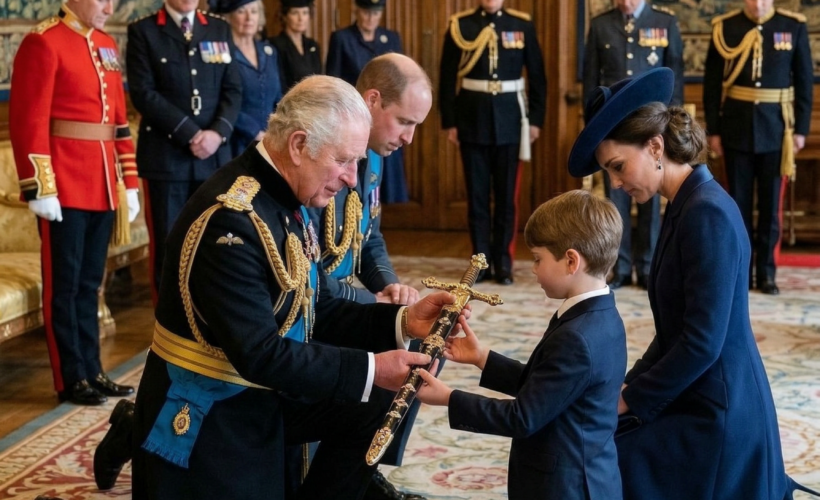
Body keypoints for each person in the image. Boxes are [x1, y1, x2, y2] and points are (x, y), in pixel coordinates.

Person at [126, 75, 461, 500]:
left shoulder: (285, 195)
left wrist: (404, 321)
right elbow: (260, 354)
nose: (352, 179)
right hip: (214, 413)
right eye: (344, 160)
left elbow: (317, 305)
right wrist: (373, 369)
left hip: (259, 391)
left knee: (380, 399)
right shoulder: (232, 221)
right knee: (372, 382)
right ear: (299, 144)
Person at [568, 67, 819, 500]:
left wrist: (631, 399)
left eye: (618, 167)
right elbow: (674, 332)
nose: (616, 183)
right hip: (695, 389)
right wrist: (626, 386)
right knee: (595, 446)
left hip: (718, 412)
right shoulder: (686, 203)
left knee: (603, 461)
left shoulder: (706, 213)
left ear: (655, 146)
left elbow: (702, 342)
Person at [416, 189, 627, 500]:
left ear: (571, 261)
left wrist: (450, 398)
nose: (533, 268)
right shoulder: (601, 313)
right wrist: (483, 358)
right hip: (589, 473)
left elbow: (523, 417)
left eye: (538, 259)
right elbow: (548, 388)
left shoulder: (577, 337)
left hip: (565, 487)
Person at [305, 53, 432, 500]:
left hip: (341, 301)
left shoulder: (374, 156)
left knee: (420, 342)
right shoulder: (321, 154)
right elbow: (305, 274)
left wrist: (388, 286)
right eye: (405, 122)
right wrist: (370, 304)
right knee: (394, 352)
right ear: (373, 100)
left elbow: (368, 234)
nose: (409, 138)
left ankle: (365, 468)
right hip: (310, 308)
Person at [9, 0, 140, 405]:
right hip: (63, 185)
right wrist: (39, 186)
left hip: (102, 183)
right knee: (64, 287)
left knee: (89, 284)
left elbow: (118, 122)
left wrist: (128, 181)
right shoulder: (44, 41)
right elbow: (28, 119)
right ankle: (70, 378)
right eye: (102, 0)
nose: (110, 8)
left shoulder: (105, 44)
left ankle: (93, 370)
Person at [127, 0, 242, 301]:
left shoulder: (218, 28)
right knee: (170, 246)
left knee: (215, 243)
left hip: (214, 159)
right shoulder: (144, 31)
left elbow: (233, 88)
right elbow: (143, 93)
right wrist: (190, 134)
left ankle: (208, 319)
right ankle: (169, 322)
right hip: (167, 159)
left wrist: (217, 133)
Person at [703, 0, 813, 295]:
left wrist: (801, 130)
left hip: (777, 132)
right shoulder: (726, 27)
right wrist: (714, 130)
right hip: (736, 131)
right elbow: (712, 84)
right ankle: (741, 273)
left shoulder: (792, 26)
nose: (758, 4)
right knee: (736, 207)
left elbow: (804, 82)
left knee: (770, 210)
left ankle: (766, 274)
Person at [439, 0, 546, 285]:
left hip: (511, 121)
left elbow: (537, 76)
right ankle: (480, 262)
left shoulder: (521, 24)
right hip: (471, 120)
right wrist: (450, 122)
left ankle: (504, 263)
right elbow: (446, 76)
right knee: (477, 198)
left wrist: (535, 120)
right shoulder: (460, 25)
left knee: (506, 198)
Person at [582, 0, 683, 289]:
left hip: (651, 127)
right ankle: (621, 266)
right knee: (616, 200)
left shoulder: (665, 22)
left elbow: (675, 78)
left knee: (651, 199)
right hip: (612, 131)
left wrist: (669, 125)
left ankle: (648, 265)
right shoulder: (600, 24)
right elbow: (591, 81)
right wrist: (593, 130)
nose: (625, 2)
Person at [326, 0, 408, 204]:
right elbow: (333, 81)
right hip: (354, 119)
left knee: (386, 182)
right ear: (357, 11)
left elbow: (401, 80)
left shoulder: (391, 38)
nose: (370, 18)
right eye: (366, 12)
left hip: (386, 120)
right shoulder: (342, 38)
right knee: (358, 178)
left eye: (376, 13)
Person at [211, 0, 283, 157]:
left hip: (270, 141)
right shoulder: (222, 54)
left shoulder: (269, 52)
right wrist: (255, 132)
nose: (249, 18)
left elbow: (278, 97)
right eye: (241, 11)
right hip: (235, 143)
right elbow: (222, 100)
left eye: (254, 11)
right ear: (229, 17)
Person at [269, 0, 321, 90]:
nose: (301, 18)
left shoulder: (312, 45)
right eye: (295, 13)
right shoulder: (275, 45)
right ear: (285, 16)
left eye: (305, 13)